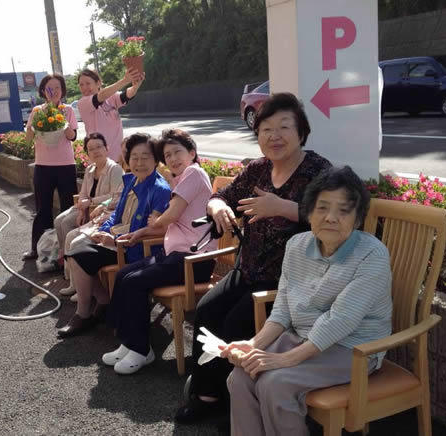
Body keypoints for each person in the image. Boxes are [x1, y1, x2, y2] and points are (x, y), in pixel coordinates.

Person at [175, 92, 332, 423]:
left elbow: (336, 220)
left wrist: (285, 208)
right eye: (266, 129)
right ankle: (207, 393)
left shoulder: (319, 171)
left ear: (301, 131)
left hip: (288, 282)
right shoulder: (258, 169)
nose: (275, 136)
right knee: (206, 311)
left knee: (235, 323)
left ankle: (236, 401)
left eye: (284, 127)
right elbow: (221, 196)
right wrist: (218, 207)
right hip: (247, 270)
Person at [224, 166, 392, 436]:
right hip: (301, 337)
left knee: (274, 384)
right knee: (242, 374)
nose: (331, 218)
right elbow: (283, 309)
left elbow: (341, 320)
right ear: (308, 212)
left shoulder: (372, 254)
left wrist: (284, 360)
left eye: (344, 211)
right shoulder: (296, 246)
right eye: (322, 208)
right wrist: (254, 344)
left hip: (353, 349)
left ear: (357, 219)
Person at [102, 129, 217, 374]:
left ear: (192, 153)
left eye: (177, 152)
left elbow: (170, 216)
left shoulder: (194, 173)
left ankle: (142, 350)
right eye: (168, 155)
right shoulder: (181, 178)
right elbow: (166, 222)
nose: (173, 158)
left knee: (134, 282)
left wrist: (155, 221)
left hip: (194, 261)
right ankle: (128, 342)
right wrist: (140, 233)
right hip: (176, 256)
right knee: (123, 275)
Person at [57, 133, 171, 338]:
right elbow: (117, 215)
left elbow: (152, 230)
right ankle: (101, 302)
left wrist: (116, 239)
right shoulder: (131, 180)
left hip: (136, 248)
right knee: (75, 252)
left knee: (80, 255)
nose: (139, 163)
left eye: (145, 157)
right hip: (117, 241)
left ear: (156, 160)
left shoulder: (160, 189)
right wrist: (102, 231)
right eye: (134, 157)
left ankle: (84, 313)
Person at [55, 132, 124, 296]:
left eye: (99, 147)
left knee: (68, 226)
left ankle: (76, 280)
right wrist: (81, 210)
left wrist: (91, 202)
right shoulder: (90, 169)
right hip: (86, 208)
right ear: (87, 152)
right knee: (58, 220)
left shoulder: (114, 169)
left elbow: (115, 196)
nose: (96, 151)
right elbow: (83, 193)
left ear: (107, 148)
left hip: (100, 209)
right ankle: (70, 275)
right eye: (91, 149)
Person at [23, 74, 78, 260]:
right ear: (43, 91)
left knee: (68, 208)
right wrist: (32, 126)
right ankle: (38, 249)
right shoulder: (37, 110)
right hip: (43, 166)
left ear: (62, 90)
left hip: (66, 165)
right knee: (42, 209)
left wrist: (62, 121)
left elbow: (72, 136)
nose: (53, 91)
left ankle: (68, 250)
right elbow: (28, 139)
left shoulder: (68, 110)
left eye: (57, 88)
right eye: (49, 88)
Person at [77, 68, 145, 162]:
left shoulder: (111, 98)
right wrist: (125, 80)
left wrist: (136, 86)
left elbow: (126, 95)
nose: (84, 88)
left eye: (88, 83)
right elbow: (101, 96)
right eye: (81, 85)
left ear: (98, 83)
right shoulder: (83, 103)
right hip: (99, 159)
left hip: (118, 157)